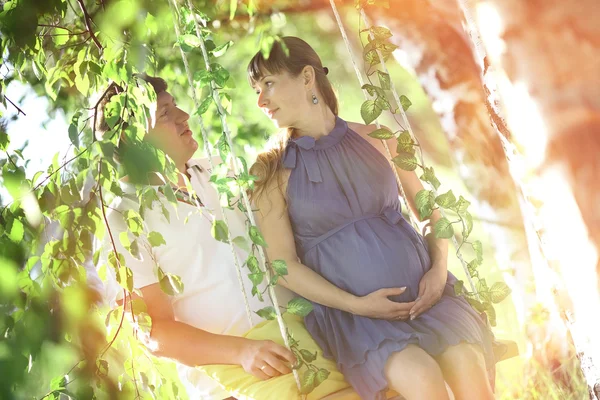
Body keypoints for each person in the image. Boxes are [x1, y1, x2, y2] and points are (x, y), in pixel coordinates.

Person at [249, 37, 495, 400]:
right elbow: (282, 264)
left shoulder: (382, 139)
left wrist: (438, 270)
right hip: (358, 320)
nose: (261, 100)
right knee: (423, 379)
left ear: (306, 77)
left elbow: (431, 213)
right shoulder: (269, 171)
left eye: (268, 84)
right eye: (255, 90)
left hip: (430, 298)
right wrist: (357, 305)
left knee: (468, 365)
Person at [96, 74, 295, 399]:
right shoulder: (123, 217)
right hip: (232, 387)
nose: (183, 117)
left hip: (304, 349)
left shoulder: (223, 171)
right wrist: (243, 353)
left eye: (176, 107)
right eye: (165, 113)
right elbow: (153, 331)